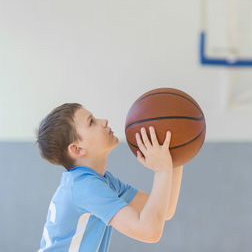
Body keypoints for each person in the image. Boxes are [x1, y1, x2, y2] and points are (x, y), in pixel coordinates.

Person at [35, 103, 183, 251]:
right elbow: (148, 231)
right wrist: (162, 171)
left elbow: (165, 210)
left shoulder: (101, 181)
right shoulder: (86, 187)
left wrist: (174, 159)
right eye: (91, 122)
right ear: (77, 149)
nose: (104, 121)